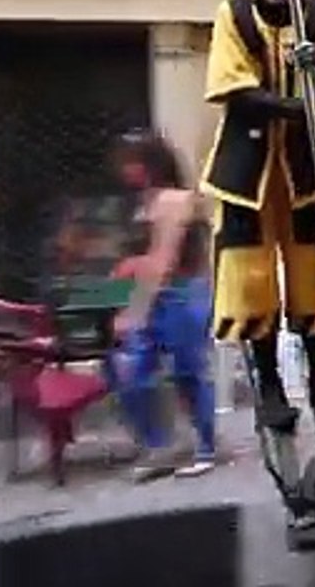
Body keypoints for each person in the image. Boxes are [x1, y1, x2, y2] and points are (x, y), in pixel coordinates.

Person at [200, 0, 315, 432]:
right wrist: (299, 108)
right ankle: (268, 386)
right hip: (245, 172)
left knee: (313, 271)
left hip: (305, 169)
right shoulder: (233, 15)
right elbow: (234, 89)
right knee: (250, 278)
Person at [105, 130, 216, 480]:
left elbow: (163, 259)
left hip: (182, 292)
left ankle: (204, 445)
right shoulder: (143, 204)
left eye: (131, 162)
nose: (124, 170)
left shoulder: (174, 201)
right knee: (129, 370)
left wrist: (134, 311)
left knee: (188, 371)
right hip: (157, 294)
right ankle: (159, 444)